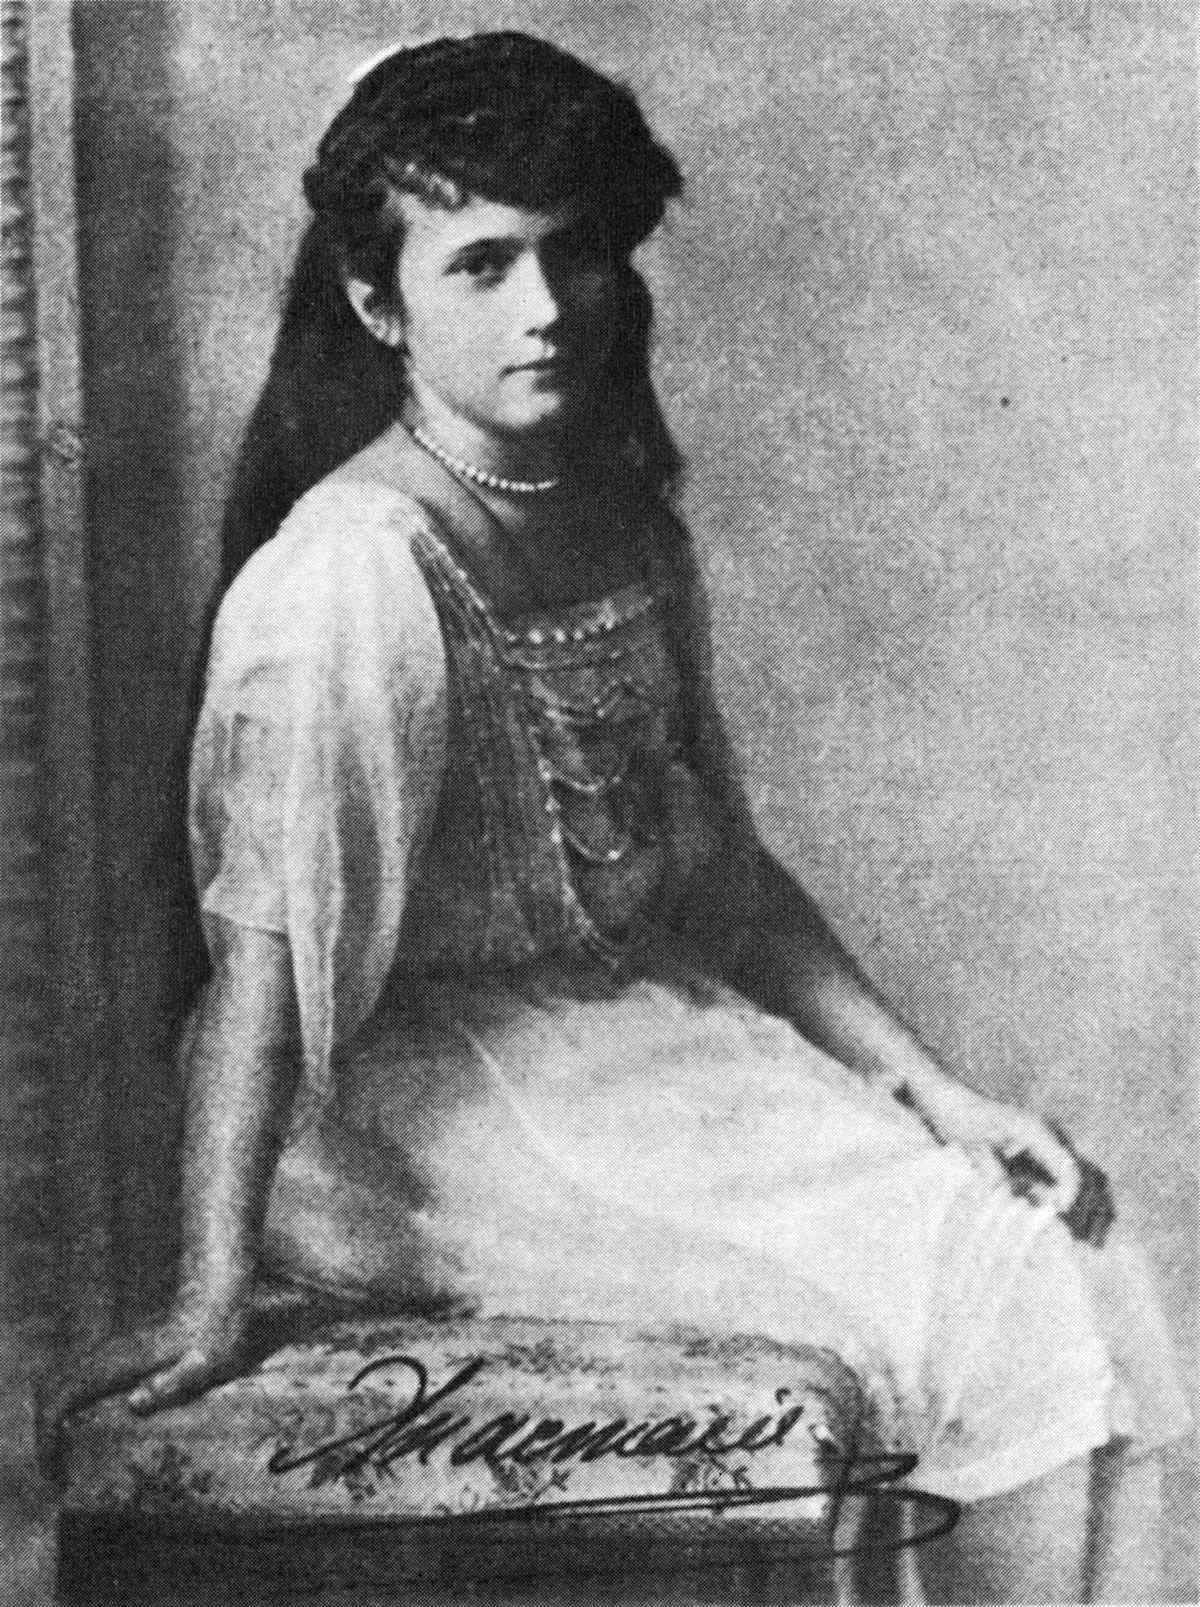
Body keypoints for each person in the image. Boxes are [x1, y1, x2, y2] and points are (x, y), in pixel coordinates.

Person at [42, 32, 1186, 1603]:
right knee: (949, 1291)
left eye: (574, 253)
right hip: (411, 1119)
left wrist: (941, 1094)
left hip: (632, 1051)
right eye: (482, 264)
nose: (545, 307)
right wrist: (210, 1288)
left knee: (1059, 1246)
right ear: (378, 304)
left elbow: (727, 879)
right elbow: (262, 970)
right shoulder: (349, 579)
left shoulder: (622, 524)